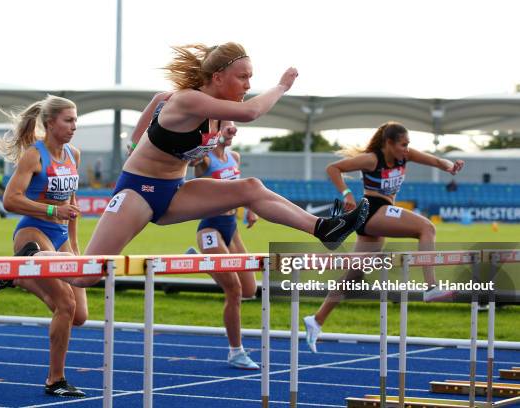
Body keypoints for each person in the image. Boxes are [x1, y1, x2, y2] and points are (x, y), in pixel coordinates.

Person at [61, 42, 368, 292]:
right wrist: (281, 86)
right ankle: (34, 258)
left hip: (174, 192)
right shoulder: (187, 100)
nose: (248, 85)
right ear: (218, 76)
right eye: (243, 77)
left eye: (250, 77)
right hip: (138, 192)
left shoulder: (221, 114)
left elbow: (225, 126)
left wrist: (187, 153)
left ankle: (325, 228)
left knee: (251, 188)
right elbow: (251, 112)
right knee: (84, 276)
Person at [303, 121, 465, 353]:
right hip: (373, 210)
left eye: (408, 144)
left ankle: (316, 320)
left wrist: (451, 166)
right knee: (426, 228)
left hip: (379, 216)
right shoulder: (372, 159)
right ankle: (431, 287)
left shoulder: (404, 156)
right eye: (402, 144)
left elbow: (438, 161)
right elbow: (333, 168)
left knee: (354, 275)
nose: (406, 149)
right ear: (388, 143)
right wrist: (346, 193)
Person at [0, 95, 86, 397]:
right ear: (50, 123)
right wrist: (53, 211)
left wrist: (76, 246)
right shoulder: (34, 155)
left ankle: (18, 274)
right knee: (65, 303)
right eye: (68, 120)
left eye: (75, 120)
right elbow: (10, 200)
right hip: (33, 233)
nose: (74, 126)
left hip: (60, 237)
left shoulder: (74, 155)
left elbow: (72, 204)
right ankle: (55, 380)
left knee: (79, 315)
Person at [191, 127, 260, 369]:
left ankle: (198, 260)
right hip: (210, 228)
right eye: (225, 127)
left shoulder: (235, 157)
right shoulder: (205, 160)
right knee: (235, 290)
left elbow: (241, 188)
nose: (232, 131)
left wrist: (251, 208)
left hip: (232, 228)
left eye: (233, 127)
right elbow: (194, 162)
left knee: (250, 289)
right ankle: (236, 351)